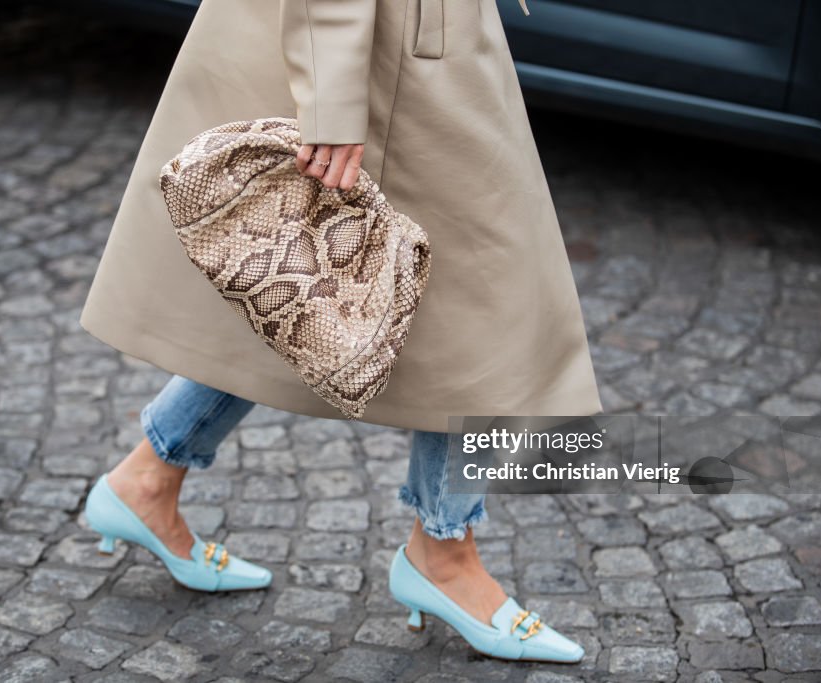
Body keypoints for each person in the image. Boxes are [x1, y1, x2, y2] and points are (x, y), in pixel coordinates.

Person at [80, 0, 600, 663]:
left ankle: (149, 477)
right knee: (481, 302)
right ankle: (444, 551)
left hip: (406, 42)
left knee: (301, 280)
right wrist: (332, 99)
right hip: (376, 42)